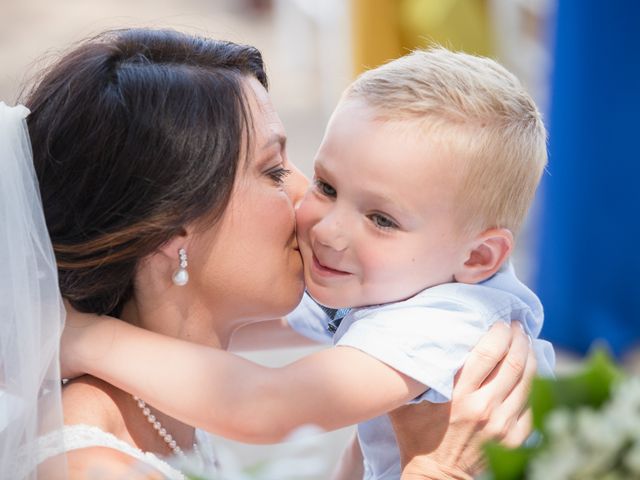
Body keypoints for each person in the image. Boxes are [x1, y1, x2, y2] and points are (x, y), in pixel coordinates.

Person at [0, 28, 534, 479]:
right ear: (171, 234)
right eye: (277, 171)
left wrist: (85, 335)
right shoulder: (92, 465)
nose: (309, 202)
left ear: (481, 256)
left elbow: (266, 402)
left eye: (381, 218)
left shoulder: (439, 313)